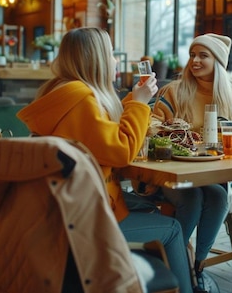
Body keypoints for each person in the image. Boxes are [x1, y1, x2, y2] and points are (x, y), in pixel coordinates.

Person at [16, 27, 194, 293]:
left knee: (154, 209)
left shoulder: (61, 93)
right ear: (96, 58)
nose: (115, 60)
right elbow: (121, 150)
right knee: (172, 229)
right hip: (85, 220)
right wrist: (141, 104)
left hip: (63, 208)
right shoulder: (81, 101)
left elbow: (101, 139)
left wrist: (134, 100)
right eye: (110, 53)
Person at [150, 33, 232, 292]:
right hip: (172, 172)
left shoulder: (230, 96)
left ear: (217, 61)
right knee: (193, 199)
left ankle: (197, 268)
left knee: (219, 197)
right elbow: (150, 122)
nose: (195, 61)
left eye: (203, 56)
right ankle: (170, 263)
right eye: (192, 55)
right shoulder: (175, 91)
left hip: (209, 173)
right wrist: (168, 132)